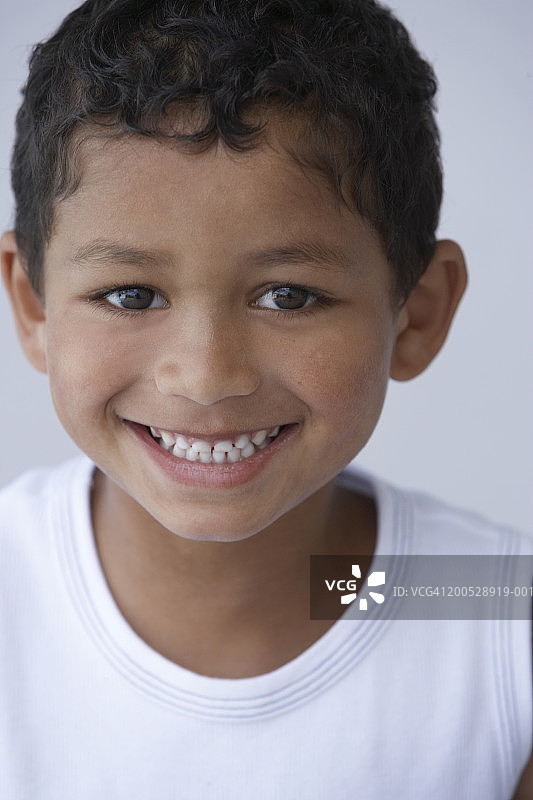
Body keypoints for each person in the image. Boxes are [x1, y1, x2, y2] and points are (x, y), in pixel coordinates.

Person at [0, 0, 531, 797]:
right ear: (34, 306)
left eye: (287, 295)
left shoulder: (488, 615)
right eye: (132, 295)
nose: (208, 376)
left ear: (415, 313)